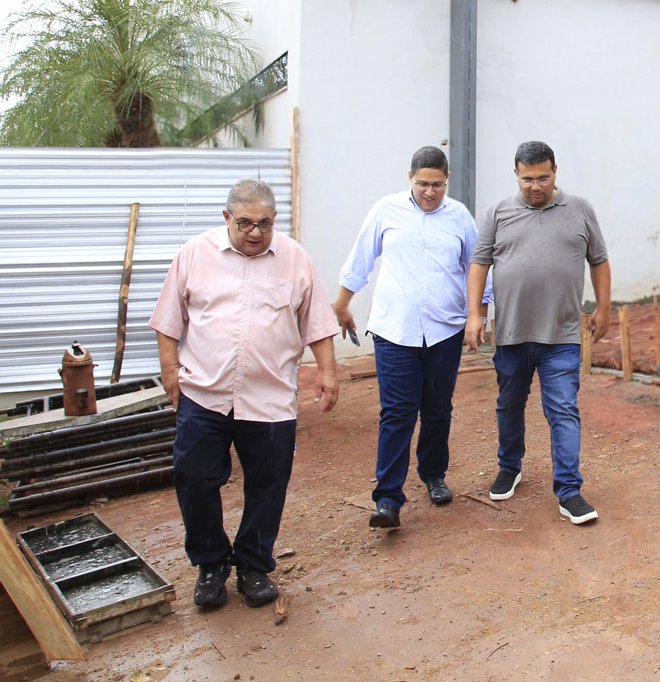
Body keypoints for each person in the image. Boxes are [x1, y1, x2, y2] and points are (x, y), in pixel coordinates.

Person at [149, 178, 339, 611]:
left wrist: (327, 372)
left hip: (269, 397)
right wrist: (169, 372)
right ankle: (211, 564)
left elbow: (318, 322)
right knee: (194, 477)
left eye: (265, 224)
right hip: (204, 392)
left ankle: (254, 565)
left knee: (268, 484)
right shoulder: (194, 254)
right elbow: (167, 320)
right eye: (246, 223)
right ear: (227, 218)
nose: (256, 233)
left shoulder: (294, 259)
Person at [334, 146, 491, 529]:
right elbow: (361, 259)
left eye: (437, 184)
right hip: (394, 331)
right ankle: (388, 498)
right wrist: (341, 305)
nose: (429, 192)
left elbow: (477, 266)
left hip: (444, 330)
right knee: (397, 413)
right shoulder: (386, 210)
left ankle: (434, 475)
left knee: (438, 410)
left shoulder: (459, 217)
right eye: (422, 183)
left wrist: (478, 315)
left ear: (446, 180)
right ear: (410, 178)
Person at [465, 141, 610, 525]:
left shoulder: (580, 210)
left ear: (555, 171)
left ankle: (569, 490)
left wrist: (604, 307)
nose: (536, 186)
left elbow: (599, 260)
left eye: (543, 177)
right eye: (528, 178)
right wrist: (474, 316)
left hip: (561, 335)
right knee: (509, 405)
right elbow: (479, 264)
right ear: (516, 174)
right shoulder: (498, 213)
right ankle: (509, 466)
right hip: (511, 333)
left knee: (563, 409)